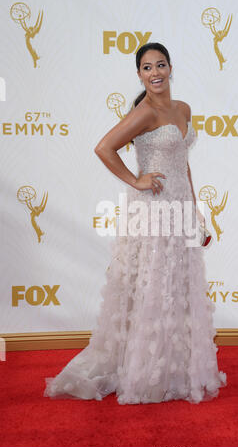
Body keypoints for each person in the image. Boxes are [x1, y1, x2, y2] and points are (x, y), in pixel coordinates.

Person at [44, 42, 227, 404]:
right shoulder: (144, 113)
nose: (155, 73)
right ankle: (145, 370)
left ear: (171, 68)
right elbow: (104, 147)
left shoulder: (183, 109)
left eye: (161, 65)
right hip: (154, 210)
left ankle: (173, 366)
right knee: (153, 286)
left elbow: (182, 163)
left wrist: (194, 208)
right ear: (140, 74)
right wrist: (136, 180)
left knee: (176, 286)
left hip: (178, 209)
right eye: (147, 67)